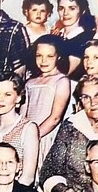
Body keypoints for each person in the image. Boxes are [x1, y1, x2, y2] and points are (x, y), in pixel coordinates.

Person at [20, 34, 71, 172]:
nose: (43, 61)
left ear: (58, 56)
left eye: (49, 56)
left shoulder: (61, 81)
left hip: (46, 136)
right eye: (39, 55)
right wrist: (22, 136)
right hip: (27, 136)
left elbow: (55, 118)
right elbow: (23, 116)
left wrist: (34, 136)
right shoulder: (30, 82)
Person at [52, 0, 97, 77]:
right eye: (61, 8)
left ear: (82, 11)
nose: (65, 13)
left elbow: (64, 72)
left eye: (72, 8)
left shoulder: (86, 38)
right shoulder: (56, 35)